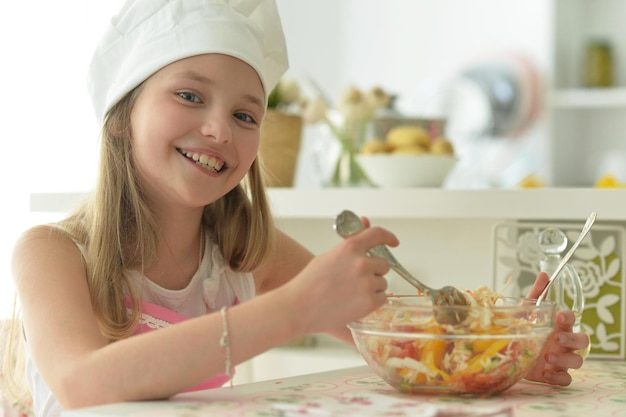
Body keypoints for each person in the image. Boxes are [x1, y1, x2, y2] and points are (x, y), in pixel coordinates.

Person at [2, 0, 588, 416]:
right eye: (188, 95)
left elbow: (395, 344)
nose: (218, 129)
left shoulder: (245, 252)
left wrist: (499, 352)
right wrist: (291, 310)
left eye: (245, 114)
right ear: (121, 117)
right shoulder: (52, 253)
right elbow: (81, 386)